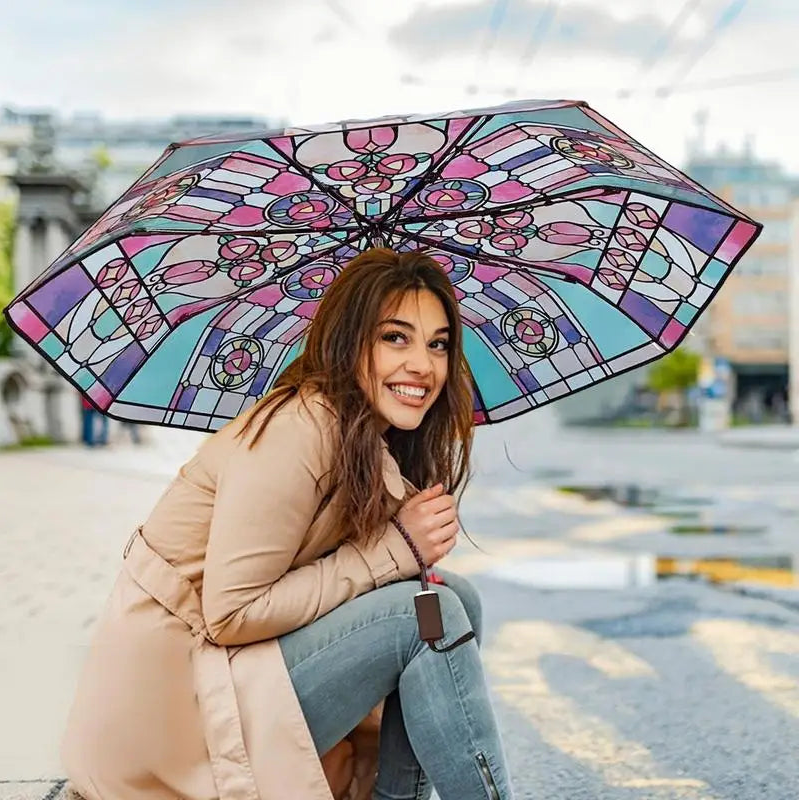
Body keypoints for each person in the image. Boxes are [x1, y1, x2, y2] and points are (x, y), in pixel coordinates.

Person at [61, 248, 514, 800]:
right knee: (427, 618)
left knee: (449, 600)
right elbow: (231, 613)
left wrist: (402, 551)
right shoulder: (296, 428)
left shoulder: (363, 441)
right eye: (395, 338)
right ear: (348, 342)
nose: (423, 365)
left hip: (231, 675)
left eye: (438, 344)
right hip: (175, 712)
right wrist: (394, 551)